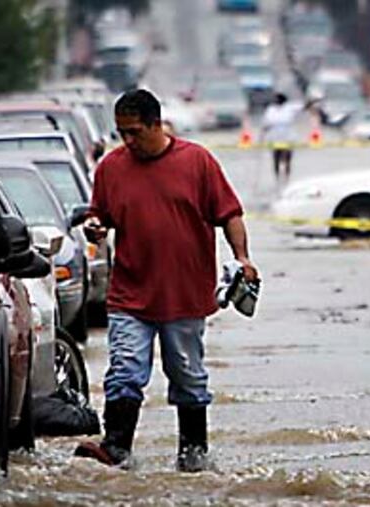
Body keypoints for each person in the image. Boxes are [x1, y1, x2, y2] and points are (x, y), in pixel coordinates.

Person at [74, 89, 259, 473]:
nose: (127, 140)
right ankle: (116, 448)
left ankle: (193, 457)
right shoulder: (111, 167)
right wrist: (95, 228)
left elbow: (230, 214)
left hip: (185, 296)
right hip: (129, 293)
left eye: (135, 132)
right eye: (121, 132)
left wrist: (241, 258)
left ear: (157, 124)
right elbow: (99, 214)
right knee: (125, 370)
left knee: (188, 376)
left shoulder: (198, 162)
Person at [260, 92, 314, 183]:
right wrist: (263, 132)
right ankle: (277, 178)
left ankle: (287, 178)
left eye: (277, 99)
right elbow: (266, 123)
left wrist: (311, 100)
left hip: (287, 137)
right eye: (275, 99)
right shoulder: (271, 109)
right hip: (274, 137)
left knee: (287, 158)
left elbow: (304, 107)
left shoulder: (290, 108)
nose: (276, 101)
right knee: (276, 159)